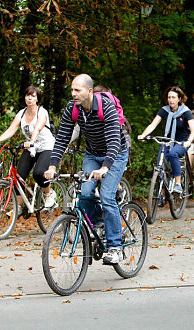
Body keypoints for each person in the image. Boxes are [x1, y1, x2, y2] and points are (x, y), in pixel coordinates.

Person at [44, 74, 129, 265]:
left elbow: (115, 140)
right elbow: (63, 137)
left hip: (115, 155)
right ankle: (101, 220)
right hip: (92, 154)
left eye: (78, 90)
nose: (73, 94)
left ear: (90, 91)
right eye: (72, 90)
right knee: (85, 194)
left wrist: (105, 167)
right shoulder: (72, 108)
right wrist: (52, 166)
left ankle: (116, 247)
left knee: (107, 195)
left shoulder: (105, 107)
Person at [0, 86, 56, 217]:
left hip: (46, 146)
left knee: (38, 173)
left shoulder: (42, 112)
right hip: (30, 148)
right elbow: (11, 129)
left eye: (33, 96)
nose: (29, 98)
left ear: (37, 99)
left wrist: (31, 141)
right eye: (27, 95)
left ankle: (49, 194)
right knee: (18, 176)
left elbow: (37, 128)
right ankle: (19, 208)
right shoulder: (21, 113)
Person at [138, 86, 194, 193]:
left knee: (173, 153)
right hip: (167, 141)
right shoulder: (164, 110)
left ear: (179, 99)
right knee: (160, 164)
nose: (171, 100)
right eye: (169, 97)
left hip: (181, 142)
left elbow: (193, 131)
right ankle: (161, 193)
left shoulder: (185, 112)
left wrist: (188, 141)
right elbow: (153, 125)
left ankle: (178, 183)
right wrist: (143, 135)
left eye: (173, 97)